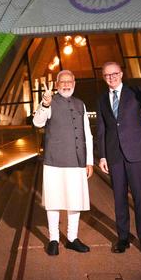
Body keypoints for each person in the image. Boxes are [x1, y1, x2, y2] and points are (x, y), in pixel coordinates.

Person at [96, 62, 141, 256]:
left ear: (121, 74)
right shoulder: (101, 99)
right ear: (103, 77)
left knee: (140, 198)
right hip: (114, 156)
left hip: (136, 154)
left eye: (114, 73)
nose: (111, 77)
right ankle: (123, 238)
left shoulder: (135, 92)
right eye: (107, 75)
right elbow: (101, 130)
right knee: (119, 199)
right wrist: (102, 156)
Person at [33, 70, 94, 256]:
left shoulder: (80, 104)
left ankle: (72, 239)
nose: (66, 84)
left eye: (69, 81)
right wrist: (44, 104)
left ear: (74, 82)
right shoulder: (50, 101)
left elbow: (87, 134)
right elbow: (37, 122)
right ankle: (53, 239)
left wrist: (89, 161)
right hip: (54, 162)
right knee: (54, 201)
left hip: (77, 161)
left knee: (75, 202)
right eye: (63, 82)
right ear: (57, 84)